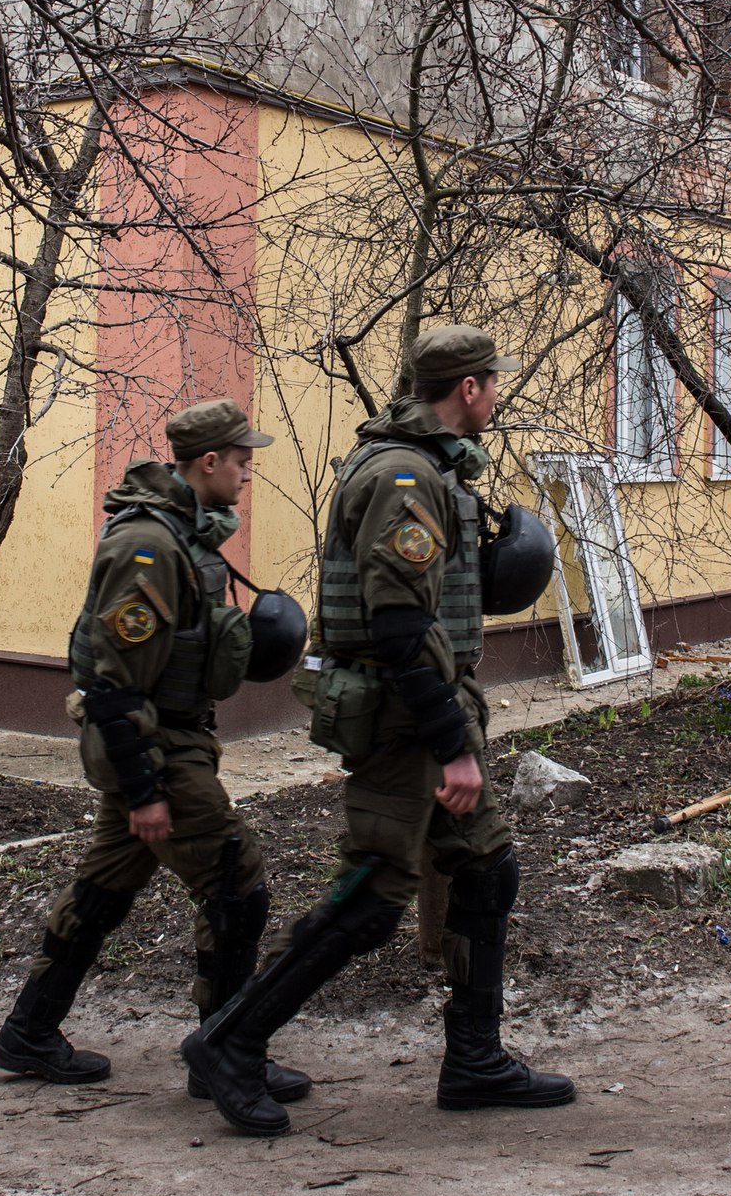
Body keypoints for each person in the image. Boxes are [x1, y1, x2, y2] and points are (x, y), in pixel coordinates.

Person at [182, 324, 572, 1137]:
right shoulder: (403, 475)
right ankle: (229, 1038)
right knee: (371, 896)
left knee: (486, 871)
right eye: (491, 382)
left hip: (429, 707)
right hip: (406, 720)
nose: (496, 394)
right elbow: (397, 625)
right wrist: (451, 746)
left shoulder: (428, 469)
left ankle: (475, 1059)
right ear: (467, 388)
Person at [0, 399, 312, 1106]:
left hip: (168, 736)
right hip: (158, 746)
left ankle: (28, 1030)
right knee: (238, 885)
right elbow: (109, 679)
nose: (247, 472)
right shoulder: (147, 546)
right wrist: (145, 789)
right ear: (208, 462)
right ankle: (225, 1052)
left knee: (105, 886)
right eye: (241, 460)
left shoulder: (183, 534)